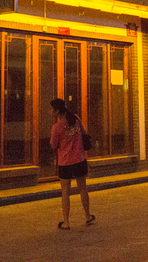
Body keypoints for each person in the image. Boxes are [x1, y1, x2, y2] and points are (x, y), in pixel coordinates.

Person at [49, 98, 95, 230]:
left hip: (65, 162)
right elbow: (84, 133)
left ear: (57, 111)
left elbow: (53, 145)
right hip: (79, 159)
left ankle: (66, 222)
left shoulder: (56, 127)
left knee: (65, 192)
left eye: (52, 109)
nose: (51, 112)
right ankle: (87, 215)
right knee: (82, 188)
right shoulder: (75, 119)